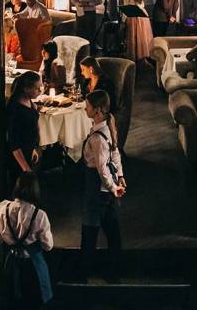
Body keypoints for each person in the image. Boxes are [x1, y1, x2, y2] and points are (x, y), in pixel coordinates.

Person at [80, 90, 125, 277]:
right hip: (106, 189)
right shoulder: (107, 126)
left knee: (89, 230)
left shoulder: (98, 137)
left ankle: (85, 271)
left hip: (97, 188)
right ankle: (115, 270)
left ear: (97, 110)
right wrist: (120, 176)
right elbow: (115, 153)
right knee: (112, 230)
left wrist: (113, 188)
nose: (85, 109)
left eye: (88, 107)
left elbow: (101, 168)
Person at [0, 172, 54, 304]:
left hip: (12, 263)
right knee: (35, 300)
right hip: (33, 265)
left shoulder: (3, 210)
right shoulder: (40, 215)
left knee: (14, 300)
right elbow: (48, 246)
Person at [6, 71, 42, 185]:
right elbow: (14, 144)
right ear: (26, 89)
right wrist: (26, 169)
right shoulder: (15, 110)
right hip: (19, 160)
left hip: (30, 151)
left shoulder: (28, 100)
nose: (40, 91)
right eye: (37, 88)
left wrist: (34, 148)